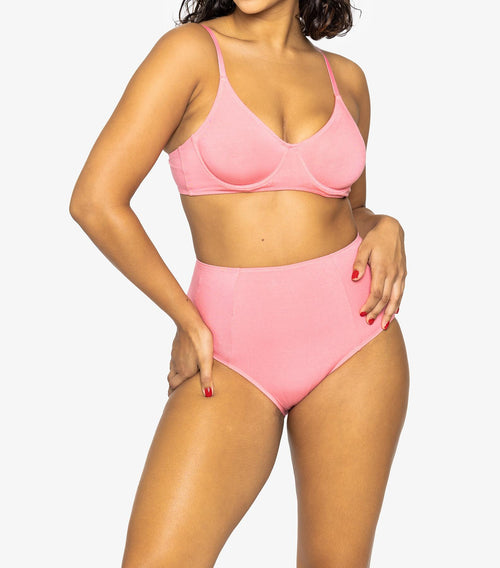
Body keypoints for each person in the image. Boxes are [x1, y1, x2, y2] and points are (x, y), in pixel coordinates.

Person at [69, 1, 410, 565]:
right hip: (228, 349)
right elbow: (95, 201)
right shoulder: (189, 54)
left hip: (357, 340)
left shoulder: (346, 78)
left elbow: (351, 209)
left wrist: (385, 224)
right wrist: (186, 317)